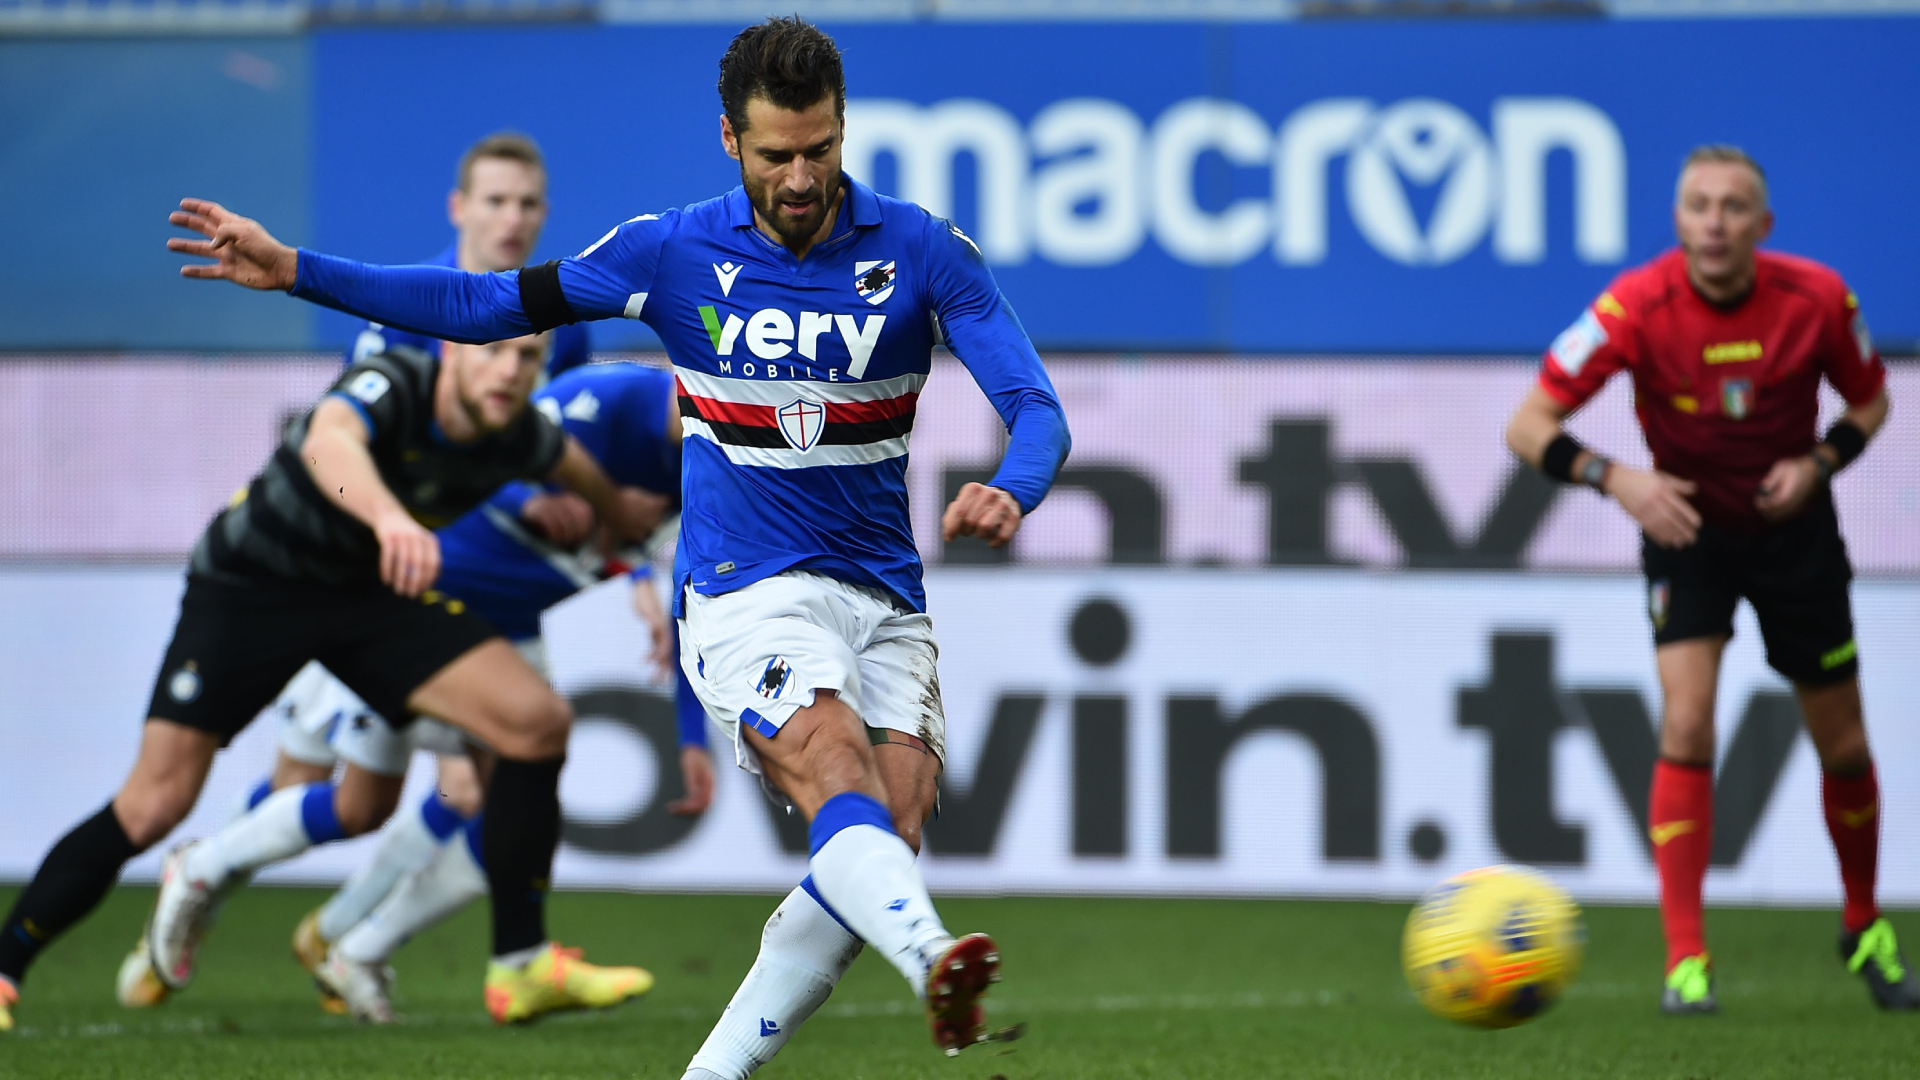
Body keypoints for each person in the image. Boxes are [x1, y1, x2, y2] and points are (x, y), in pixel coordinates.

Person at [160, 16, 1071, 1059]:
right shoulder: (669, 251)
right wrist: (297, 272)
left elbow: (1035, 405)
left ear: (843, 130)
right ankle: (935, 961)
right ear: (731, 142)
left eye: (821, 148)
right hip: (747, 588)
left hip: (884, 596)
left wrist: (1015, 485)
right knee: (836, 774)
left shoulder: (921, 249)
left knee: (886, 841)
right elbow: (480, 301)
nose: (803, 177)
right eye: (777, 155)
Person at [0, 331, 660, 1035]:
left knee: (536, 721)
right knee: (154, 804)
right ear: (450, 351)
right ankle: (7, 966)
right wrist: (387, 518)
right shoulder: (396, 381)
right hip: (252, 587)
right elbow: (329, 444)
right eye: (492, 351)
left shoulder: (522, 436)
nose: (508, 368)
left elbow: (588, 478)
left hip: (370, 598)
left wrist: (636, 544)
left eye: (527, 358)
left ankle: (520, 965)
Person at [1505, 145, 1912, 1015]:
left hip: (1794, 534)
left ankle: (1864, 924)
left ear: (1763, 226)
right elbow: (1526, 425)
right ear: (1679, 219)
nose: (1716, 222)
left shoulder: (1817, 298)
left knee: (1843, 745)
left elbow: (1872, 401)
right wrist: (1620, 480)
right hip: (1685, 530)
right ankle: (1685, 960)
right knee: (1687, 724)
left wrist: (1818, 464)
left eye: (1734, 207)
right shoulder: (1633, 307)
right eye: (1699, 205)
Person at [350, 130, 592, 381]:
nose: (514, 220)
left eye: (528, 204)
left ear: (544, 214)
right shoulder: (400, 302)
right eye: (496, 201)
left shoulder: (564, 321)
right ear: (458, 208)